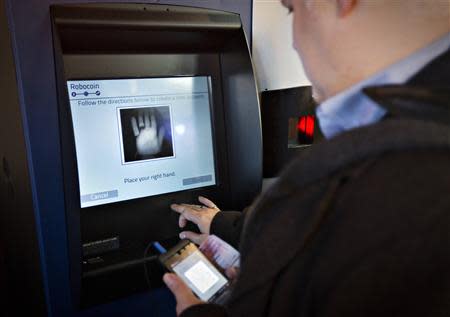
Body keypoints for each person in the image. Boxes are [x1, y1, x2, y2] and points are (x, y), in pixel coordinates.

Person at [163, 0, 450, 316]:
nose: (294, 43)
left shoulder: (379, 174)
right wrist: (226, 226)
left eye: (292, 10)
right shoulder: (413, 141)